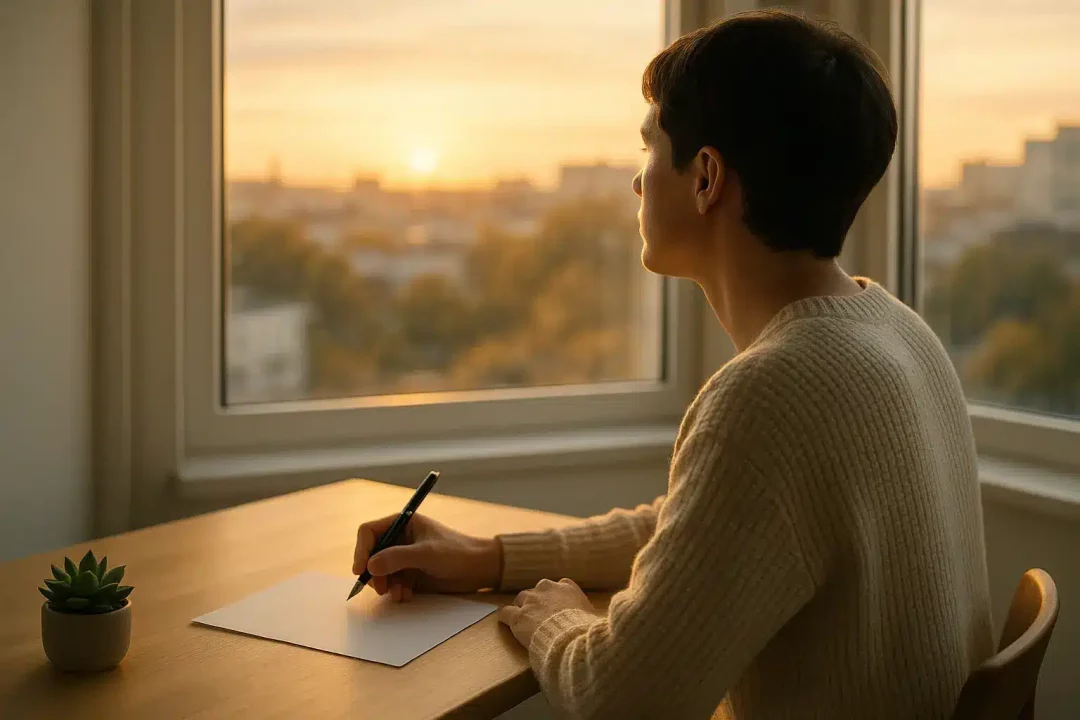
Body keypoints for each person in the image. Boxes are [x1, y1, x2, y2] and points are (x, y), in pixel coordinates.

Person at [352, 9, 993, 719]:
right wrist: (491, 558)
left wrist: (552, 618)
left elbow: (622, 699)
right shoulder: (896, 331)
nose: (636, 183)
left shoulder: (771, 394)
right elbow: (701, 532)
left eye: (650, 149)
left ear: (706, 177)